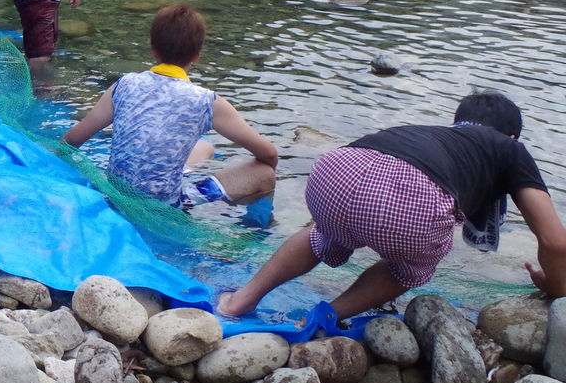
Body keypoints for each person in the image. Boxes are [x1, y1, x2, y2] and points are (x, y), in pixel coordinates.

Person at [219, 92, 566, 321]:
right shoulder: (509, 150)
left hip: (333, 172)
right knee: (412, 268)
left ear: (457, 121)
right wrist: (558, 287)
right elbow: (554, 242)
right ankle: (323, 316)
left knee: (322, 235)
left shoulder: (428, 132)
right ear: (512, 137)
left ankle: (239, 301)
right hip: (408, 202)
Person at [63, 3, 277, 210]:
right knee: (264, 172)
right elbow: (269, 155)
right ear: (197, 55)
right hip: (165, 207)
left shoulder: (124, 84)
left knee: (205, 147)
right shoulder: (207, 102)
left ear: (154, 50)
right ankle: (257, 225)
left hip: (117, 195)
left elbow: (72, 140)